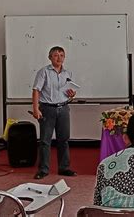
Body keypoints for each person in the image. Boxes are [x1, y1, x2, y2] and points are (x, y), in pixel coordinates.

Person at [32, 46, 77, 179]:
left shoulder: (67, 73)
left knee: (64, 139)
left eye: (62, 55)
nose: (59, 58)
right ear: (50, 57)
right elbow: (36, 90)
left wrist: (72, 95)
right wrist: (36, 108)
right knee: (45, 141)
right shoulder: (43, 72)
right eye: (56, 55)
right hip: (47, 109)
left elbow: (69, 93)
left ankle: (64, 167)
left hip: (63, 108)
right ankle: (43, 169)